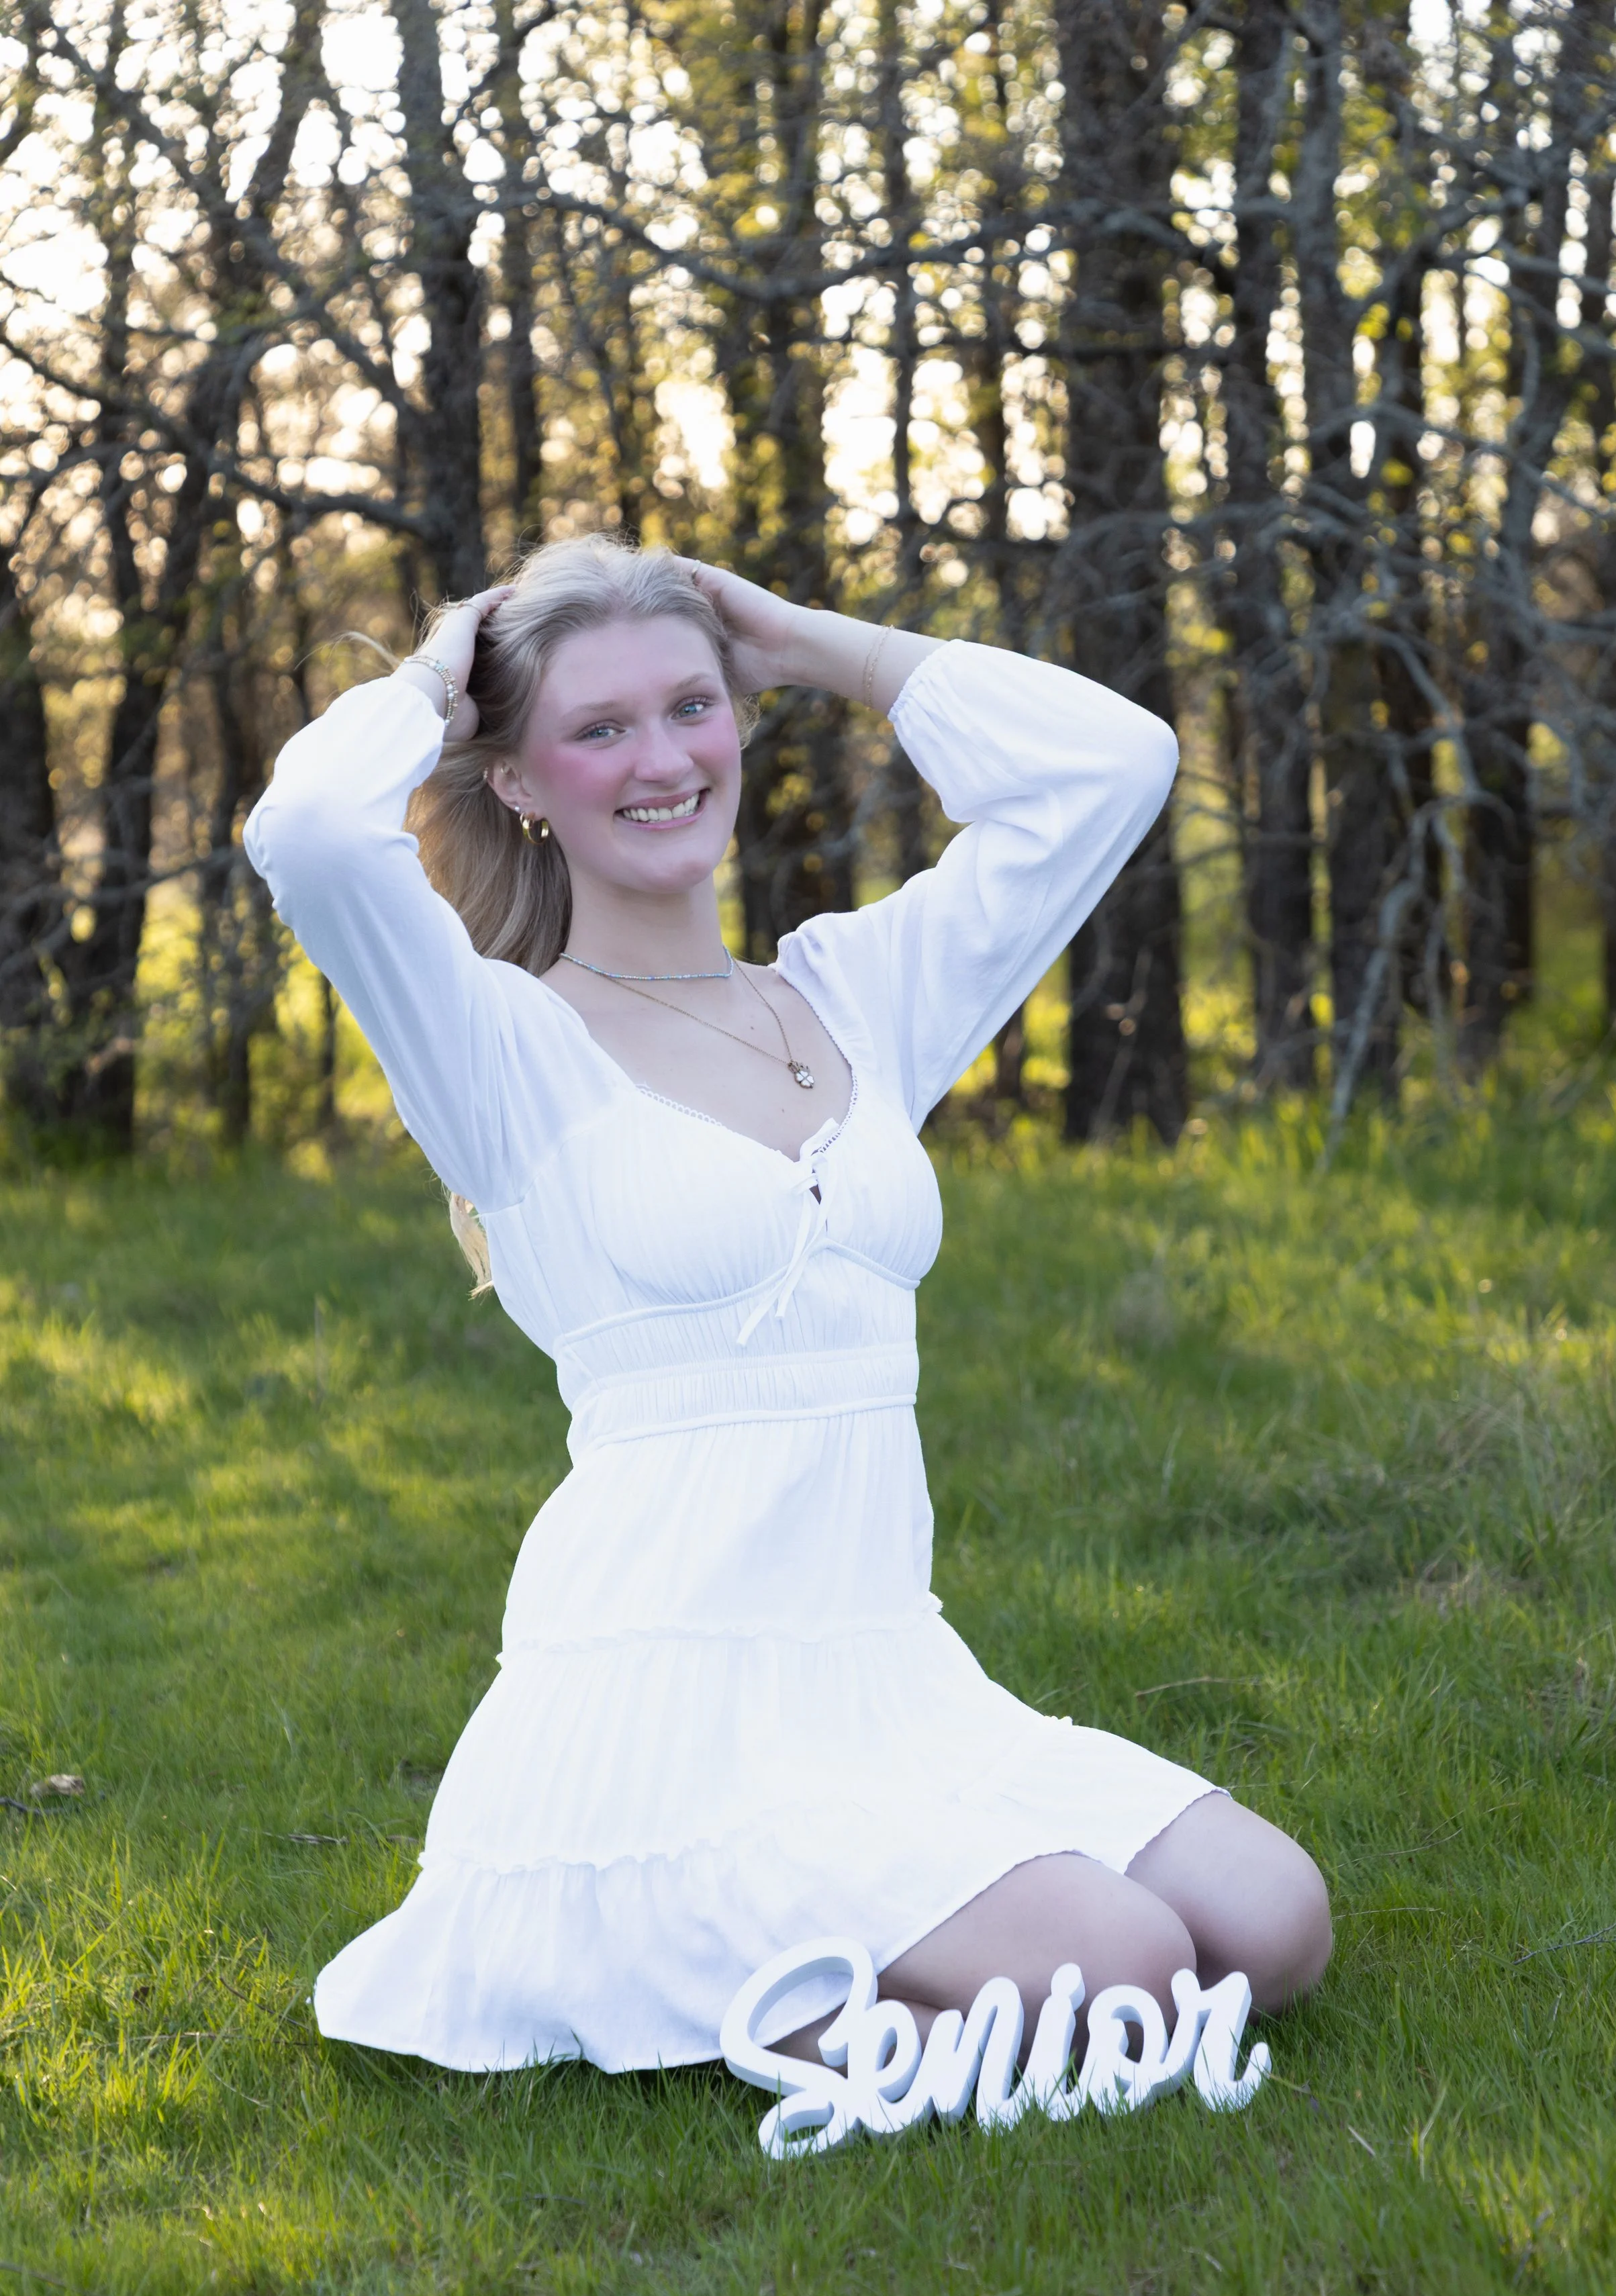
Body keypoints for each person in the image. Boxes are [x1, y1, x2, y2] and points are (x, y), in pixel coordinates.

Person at [243, 536, 1331, 2076]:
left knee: (1273, 1923)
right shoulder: (498, 1047)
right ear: (519, 784)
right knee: (1134, 1963)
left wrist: (820, 645)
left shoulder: (855, 998)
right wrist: (439, 678)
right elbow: (308, 831)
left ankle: (853, 1998)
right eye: (596, 730)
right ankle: (643, 1957)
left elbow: (1113, 766)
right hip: (661, 1713)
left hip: (890, 1677)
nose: (661, 758)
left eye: (691, 707)